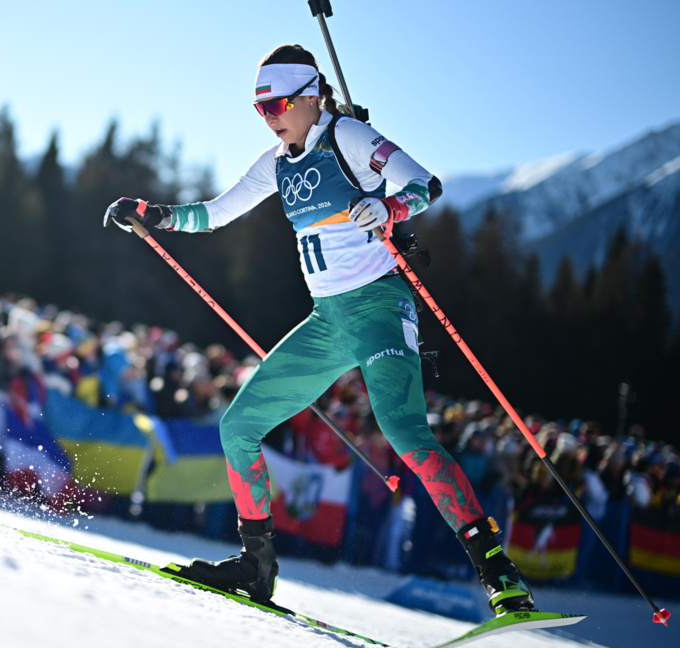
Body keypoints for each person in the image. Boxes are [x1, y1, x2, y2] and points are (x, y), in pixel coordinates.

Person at [103, 44, 535, 615]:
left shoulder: (348, 138)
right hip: (326, 319)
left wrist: (389, 210)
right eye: (260, 108)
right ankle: (256, 566)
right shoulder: (276, 161)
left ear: (311, 94)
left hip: (381, 307)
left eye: (279, 103)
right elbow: (218, 212)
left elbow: (423, 186)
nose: (270, 115)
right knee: (238, 426)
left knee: (406, 435)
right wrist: (155, 215)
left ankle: (500, 576)